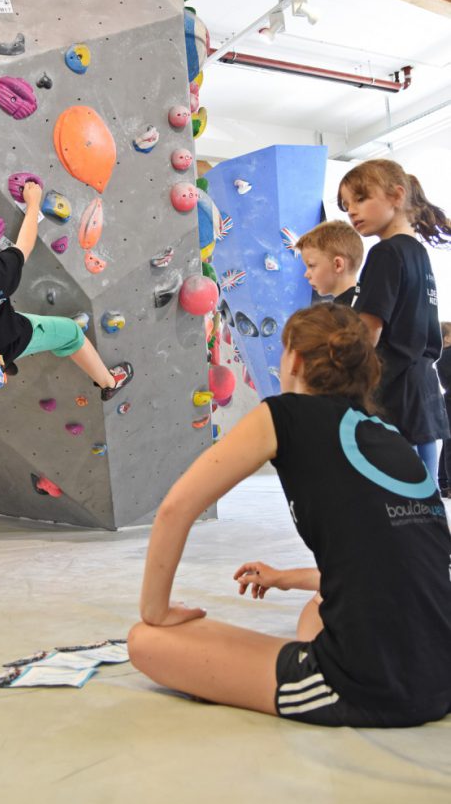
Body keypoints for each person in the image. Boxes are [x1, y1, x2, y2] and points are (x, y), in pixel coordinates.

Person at [128, 303, 451, 727]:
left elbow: (176, 508)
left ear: (294, 359)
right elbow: (391, 564)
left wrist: (157, 611)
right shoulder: (388, 434)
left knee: (145, 642)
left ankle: (326, 672)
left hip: (369, 684)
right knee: (316, 607)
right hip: (440, 666)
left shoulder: (284, 415)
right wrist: (284, 578)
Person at [0, 160, 133, 400]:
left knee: (1, 328)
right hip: (8, 339)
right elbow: (24, 245)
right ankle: (109, 382)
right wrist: (34, 204)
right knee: (72, 333)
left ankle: (1, 363)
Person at [338, 159, 450, 475]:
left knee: (398, 484)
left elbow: (370, 327)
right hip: (422, 380)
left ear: (396, 196)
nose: (352, 212)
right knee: (425, 484)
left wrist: (346, 372)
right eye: (346, 205)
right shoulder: (418, 252)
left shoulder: (385, 253)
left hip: (394, 383)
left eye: (361, 199)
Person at [295, 219, 363, 306]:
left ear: (338, 265)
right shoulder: (360, 300)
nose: (306, 275)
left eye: (311, 266)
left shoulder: (350, 311)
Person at [437, 322, 451, 498]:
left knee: (448, 443)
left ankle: (444, 482)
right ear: (446, 338)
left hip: (447, 400)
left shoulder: (440, 357)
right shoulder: (447, 355)